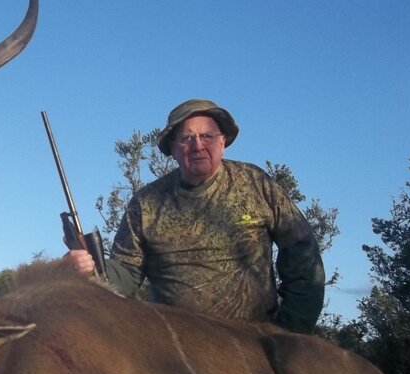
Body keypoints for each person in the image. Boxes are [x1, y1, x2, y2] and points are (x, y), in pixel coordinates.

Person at [66, 99, 325, 333]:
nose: (198, 145)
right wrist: (88, 269)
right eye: (187, 138)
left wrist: (290, 331)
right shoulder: (145, 204)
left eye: (207, 136)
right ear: (173, 149)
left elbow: (302, 253)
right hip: (174, 352)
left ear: (223, 142)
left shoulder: (257, 184)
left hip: (255, 345)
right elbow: (125, 272)